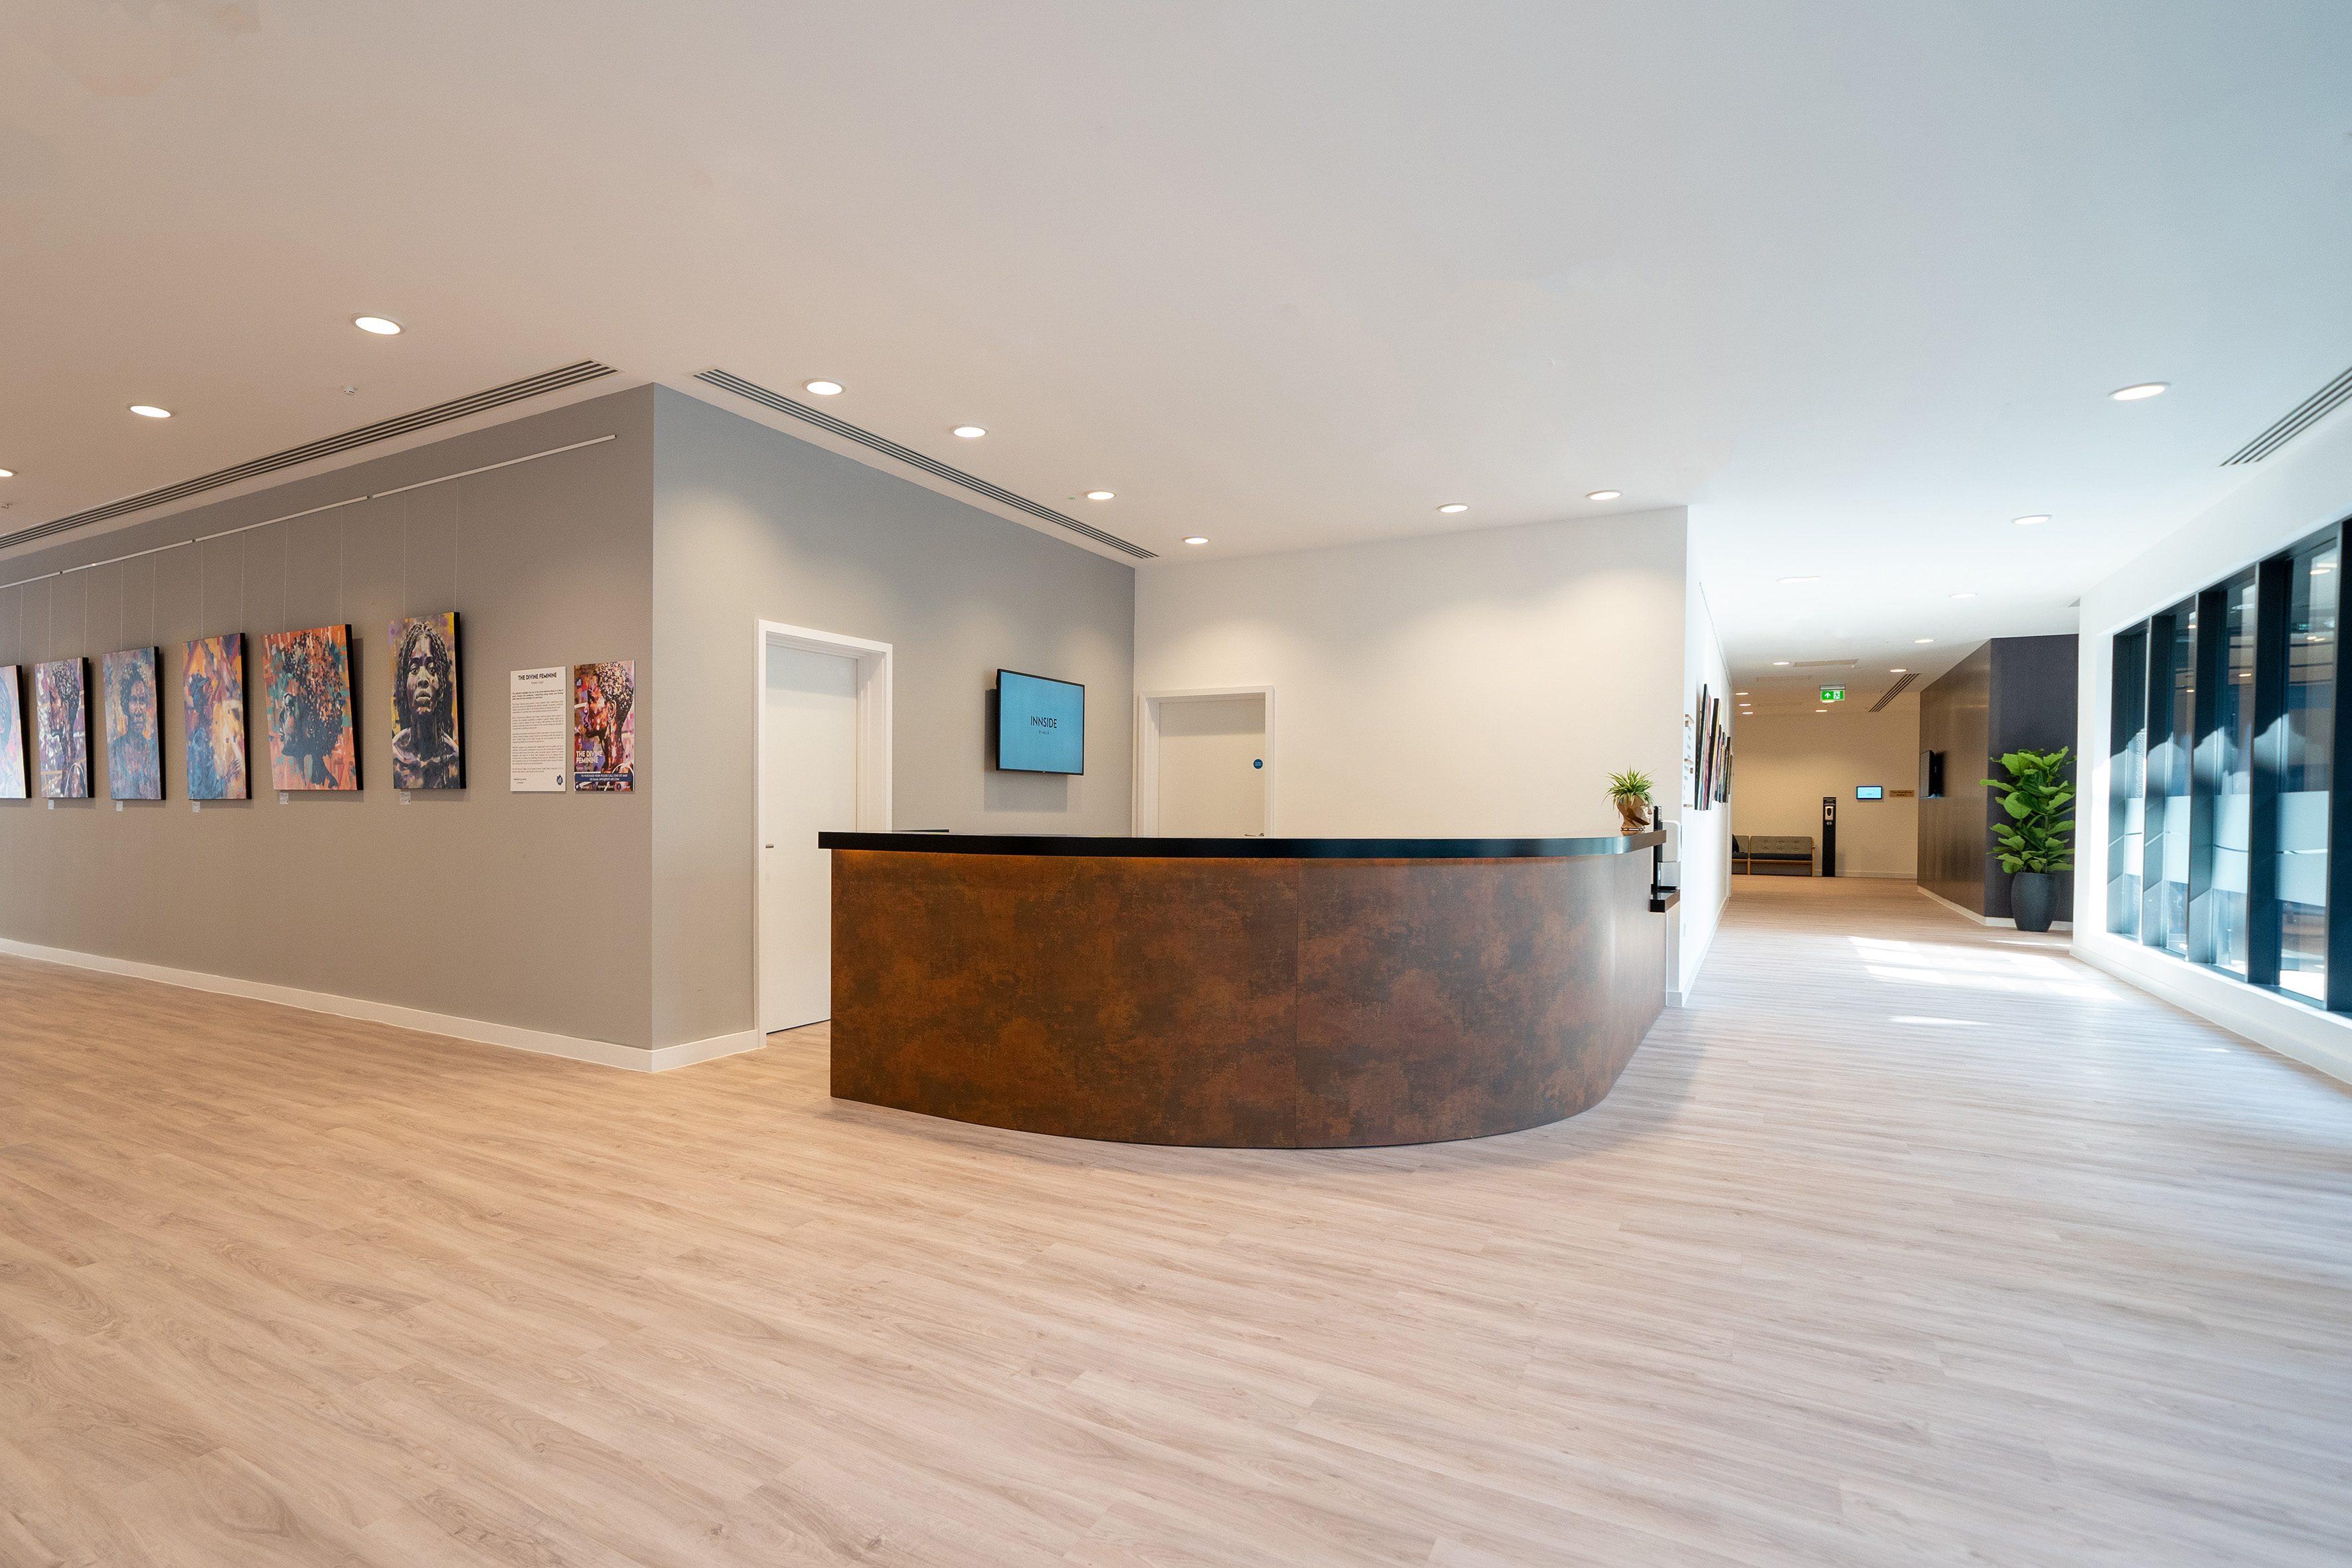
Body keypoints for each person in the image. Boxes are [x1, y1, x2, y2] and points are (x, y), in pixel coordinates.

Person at [390, 616, 461, 789]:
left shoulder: (454, 761)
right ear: (404, 685)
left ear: (442, 684)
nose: (423, 679)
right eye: (414, 670)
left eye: (432, 669)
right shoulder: (395, 756)